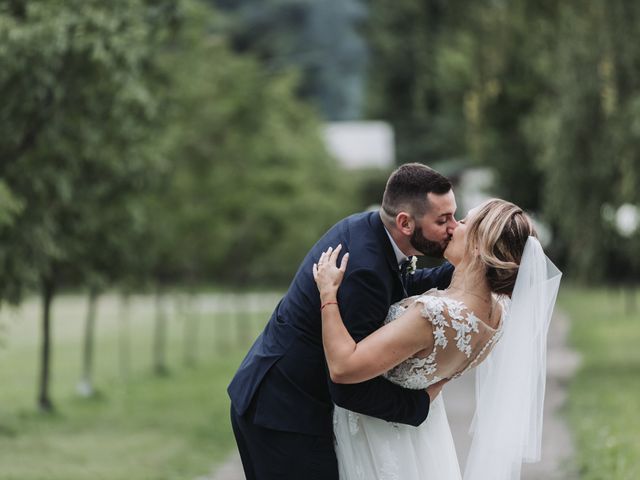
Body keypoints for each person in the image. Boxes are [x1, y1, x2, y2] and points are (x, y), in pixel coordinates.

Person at [228, 163, 458, 479]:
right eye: (443, 220)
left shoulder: (373, 231)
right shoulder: (365, 268)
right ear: (405, 223)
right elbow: (349, 387)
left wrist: (464, 267)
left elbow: (397, 286)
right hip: (283, 414)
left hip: (283, 403)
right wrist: (419, 404)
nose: (454, 227)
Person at [313, 198, 562, 480]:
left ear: (479, 245)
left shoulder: (433, 316)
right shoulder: (497, 315)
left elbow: (344, 366)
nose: (453, 227)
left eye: (464, 222)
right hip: (420, 440)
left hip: (376, 441)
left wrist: (327, 295)